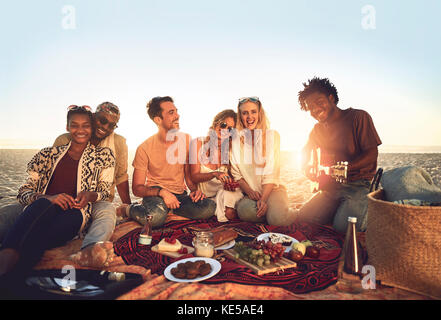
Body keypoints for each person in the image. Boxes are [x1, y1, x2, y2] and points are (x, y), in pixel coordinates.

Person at [0, 102, 130, 265]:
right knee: (9, 216)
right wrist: (48, 197)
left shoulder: (108, 151)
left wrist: (126, 207)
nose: (105, 127)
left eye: (111, 125)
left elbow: (118, 179)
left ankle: (90, 249)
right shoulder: (53, 149)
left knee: (106, 212)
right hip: (47, 201)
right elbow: (35, 185)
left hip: (85, 206)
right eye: (102, 120)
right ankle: (9, 256)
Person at [296, 77, 382, 232]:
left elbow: (372, 154)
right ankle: (339, 210)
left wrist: (346, 168)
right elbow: (304, 153)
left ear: (331, 98)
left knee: (343, 228)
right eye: (310, 108)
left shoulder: (358, 117)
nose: (315, 109)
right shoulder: (317, 130)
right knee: (304, 217)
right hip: (331, 187)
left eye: (319, 102)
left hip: (359, 184)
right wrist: (307, 169)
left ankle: (361, 210)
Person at [127, 96, 216, 228]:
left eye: (176, 111)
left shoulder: (186, 139)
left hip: (179, 197)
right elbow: (137, 188)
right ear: (158, 120)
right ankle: (127, 209)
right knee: (155, 217)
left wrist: (194, 191)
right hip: (155, 196)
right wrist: (162, 192)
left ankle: (170, 213)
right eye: (171, 112)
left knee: (209, 207)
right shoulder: (144, 148)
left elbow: (187, 175)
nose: (177, 115)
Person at [227, 97, 294, 226]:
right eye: (245, 113)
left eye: (253, 112)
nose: (249, 117)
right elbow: (237, 175)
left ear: (259, 114)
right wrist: (250, 192)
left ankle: (288, 213)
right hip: (252, 195)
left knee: (278, 220)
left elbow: (271, 173)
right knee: (244, 211)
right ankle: (271, 213)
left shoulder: (272, 136)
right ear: (240, 116)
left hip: (272, 190)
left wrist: (263, 199)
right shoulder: (235, 141)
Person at [189, 109, 244, 222]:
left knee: (229, 212)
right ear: (215, 124)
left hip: (225, 193)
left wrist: (230, 183)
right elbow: (194, 176)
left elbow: (235, 176)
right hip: (206, 198)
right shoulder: (198, 143)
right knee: (216, 209)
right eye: (223, 125)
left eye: (229, 129)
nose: (224, 130)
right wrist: (214, 174)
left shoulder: (230, 149)